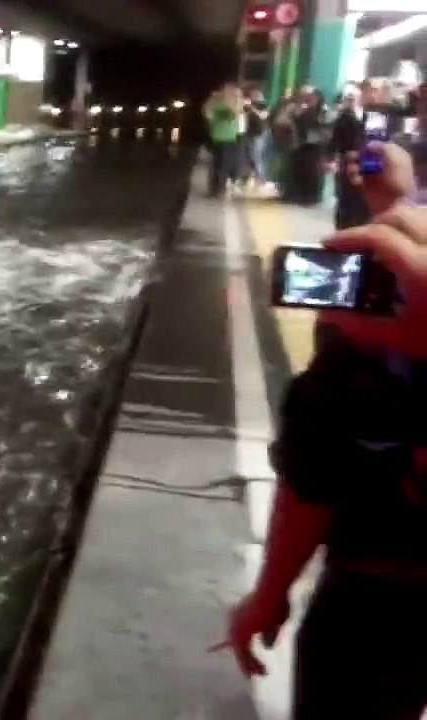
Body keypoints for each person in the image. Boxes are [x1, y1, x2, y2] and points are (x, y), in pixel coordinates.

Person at [216, 142, 427, 720]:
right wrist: (399, 202)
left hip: (378, 604)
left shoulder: (348, 374)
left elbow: (310, 490)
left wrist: (268, 596)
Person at [328, 83, 373, 229]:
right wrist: (331, 158)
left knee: (363, 198)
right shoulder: (342, 118)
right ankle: (343, 227)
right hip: (346, 163)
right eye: (349, 98)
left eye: (353, 98)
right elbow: (334, 140)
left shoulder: (369, 117)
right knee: (345, 196)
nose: (351, 101)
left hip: (365, 163)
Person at [204, 82, 242, 198]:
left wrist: (228, 100)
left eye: (230, 90)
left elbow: (233, 114)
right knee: (216, 164)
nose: (227, 92)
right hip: (217, 137)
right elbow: (207, 114)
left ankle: (220, 189)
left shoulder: (237, 102)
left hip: (230, 138)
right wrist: (212, 99)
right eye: (226, 89)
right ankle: (214, 189)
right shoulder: (216, 102)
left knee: (224, 165)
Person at [244, 86, 271, 191]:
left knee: (257, 157)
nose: (254, 96)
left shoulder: (263, 105)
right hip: (249, 133)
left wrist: (252, 108)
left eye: (256, 95)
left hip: (260, 134)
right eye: (252, 95)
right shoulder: (247, 105)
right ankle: (250, 179)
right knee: (250, 156)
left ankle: (261, 180)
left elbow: (263, 116)